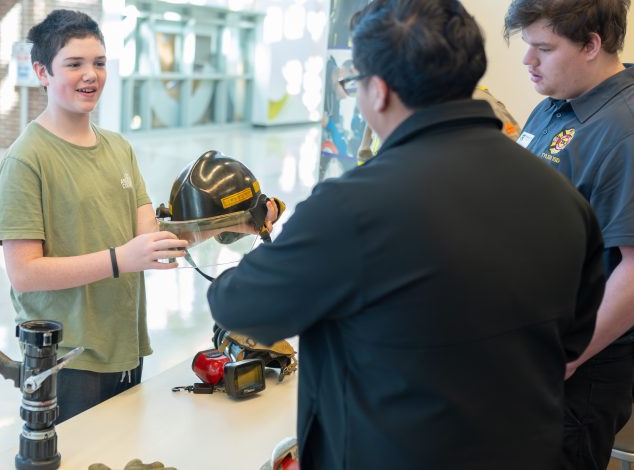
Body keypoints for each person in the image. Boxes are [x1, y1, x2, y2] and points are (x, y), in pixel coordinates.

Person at [207, 0, 605, 468]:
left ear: (378, 91)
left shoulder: (352, 207)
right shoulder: (563, 199)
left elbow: (239, 306)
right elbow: (573, 339)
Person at [0, 9, 190, 424]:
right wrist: (121, 260)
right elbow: (24, 273)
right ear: (42, 71)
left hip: (125, 346)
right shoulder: (27, 159)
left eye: (99, 63)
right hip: (67, 361)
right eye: (74, 64)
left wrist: (232, 223)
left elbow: (148, 238)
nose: (90, 75)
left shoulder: (118, 147)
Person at [504, 1, 634, 468]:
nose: (527, 61)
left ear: (591, 45)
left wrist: (567, 357)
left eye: (543, 48)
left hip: (576, 364)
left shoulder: (625, 129)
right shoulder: (553, 107)